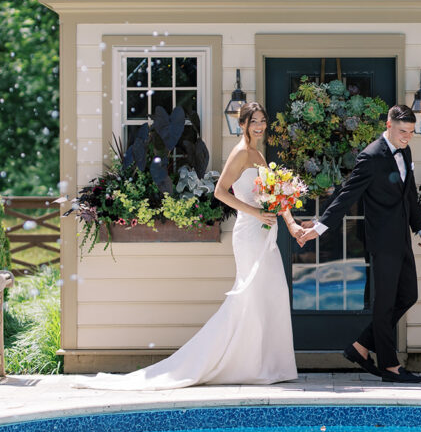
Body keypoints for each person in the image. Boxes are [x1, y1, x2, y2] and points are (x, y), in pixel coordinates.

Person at [75, 102, 301, 389]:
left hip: (264, 232)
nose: (259, 125)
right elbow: (220, 192)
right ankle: (244, 364)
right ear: (242, 124)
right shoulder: (242, 152)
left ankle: (268, 364)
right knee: (251, 296)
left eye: (262, 120)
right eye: (253, 121)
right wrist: (256, 212)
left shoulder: (257, 153)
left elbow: (271, 194)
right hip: (250, 232)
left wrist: (285, 217)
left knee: (271, 293)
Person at [299, 104, 421, 384]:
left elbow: (409, 194)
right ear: (388, 125)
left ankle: (360, 347)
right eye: (402, 131)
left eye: (410, 132)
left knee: (408, 295)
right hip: (382, 240)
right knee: (384, 304)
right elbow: (346, 195)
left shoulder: (405, 150)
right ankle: (389, 366)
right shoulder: (370, 157)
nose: (406, 137)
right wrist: (321, 226)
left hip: (402, 239)